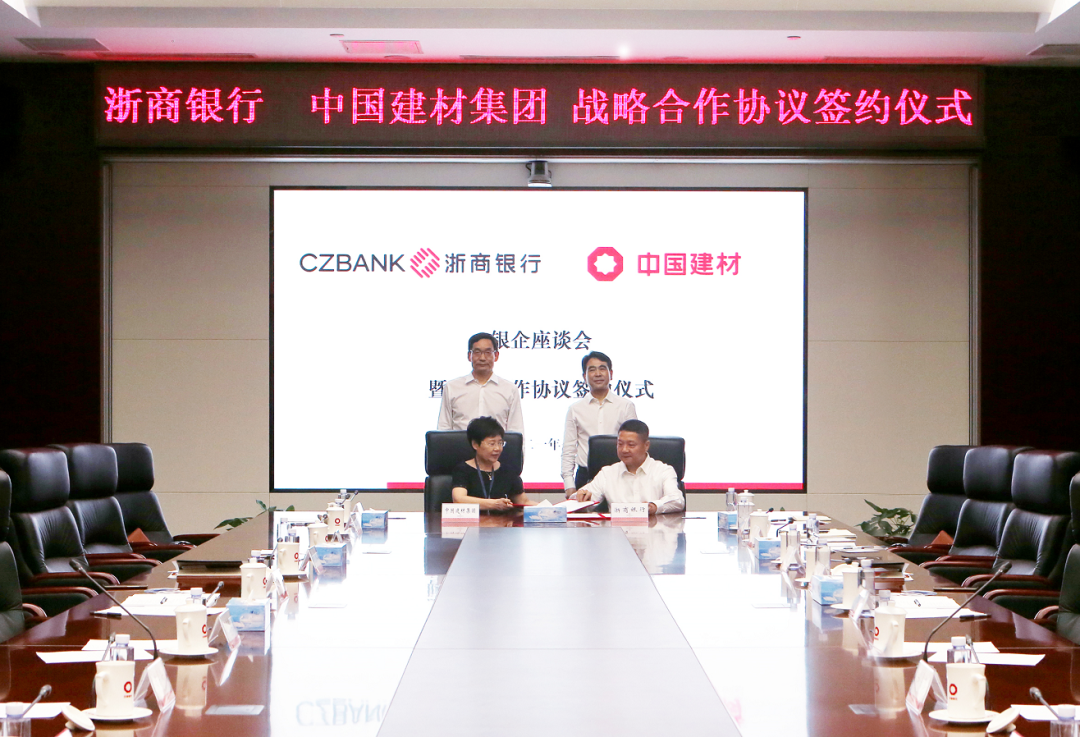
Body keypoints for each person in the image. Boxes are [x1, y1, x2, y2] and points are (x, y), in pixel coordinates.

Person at [561, 351, 637, 497]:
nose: (597, 374)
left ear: (611, 374)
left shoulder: (625, 406)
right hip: (586, 476)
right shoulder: (575, 409)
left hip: (619, 475)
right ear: (584, 376)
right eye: (592, 370)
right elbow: (569, 449)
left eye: (602, 368)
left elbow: (635, 445)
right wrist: (569, 485)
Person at [575, 419, 684, 515]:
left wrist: (654, 507)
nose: (624, 450)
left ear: (646, 446)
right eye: (620, 444)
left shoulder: (663, 471)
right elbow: (583, 502)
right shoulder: (607, 473)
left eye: (631, 445)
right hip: (616, 531)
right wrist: (582, 497)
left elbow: (677, 500)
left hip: (653, 530)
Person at [437, 332, 524, 434]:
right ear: (469, 356)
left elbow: (516, 430)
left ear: (496, 356)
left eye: (488, 352)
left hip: (497, 445)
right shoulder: (452, 387)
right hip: (460, 444)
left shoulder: (509, 389)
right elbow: (443, 429)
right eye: (477, 352)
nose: (482, 358)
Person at [451, 417, 533, 510]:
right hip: (474, 519)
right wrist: (494, 504)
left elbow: (524, 502)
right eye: (492, 444)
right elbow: (459, 499)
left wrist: (545, 507)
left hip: (502, 520)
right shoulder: (463, 470)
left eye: (500, 443)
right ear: (475, 444)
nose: (497, 448)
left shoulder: (508, 471)